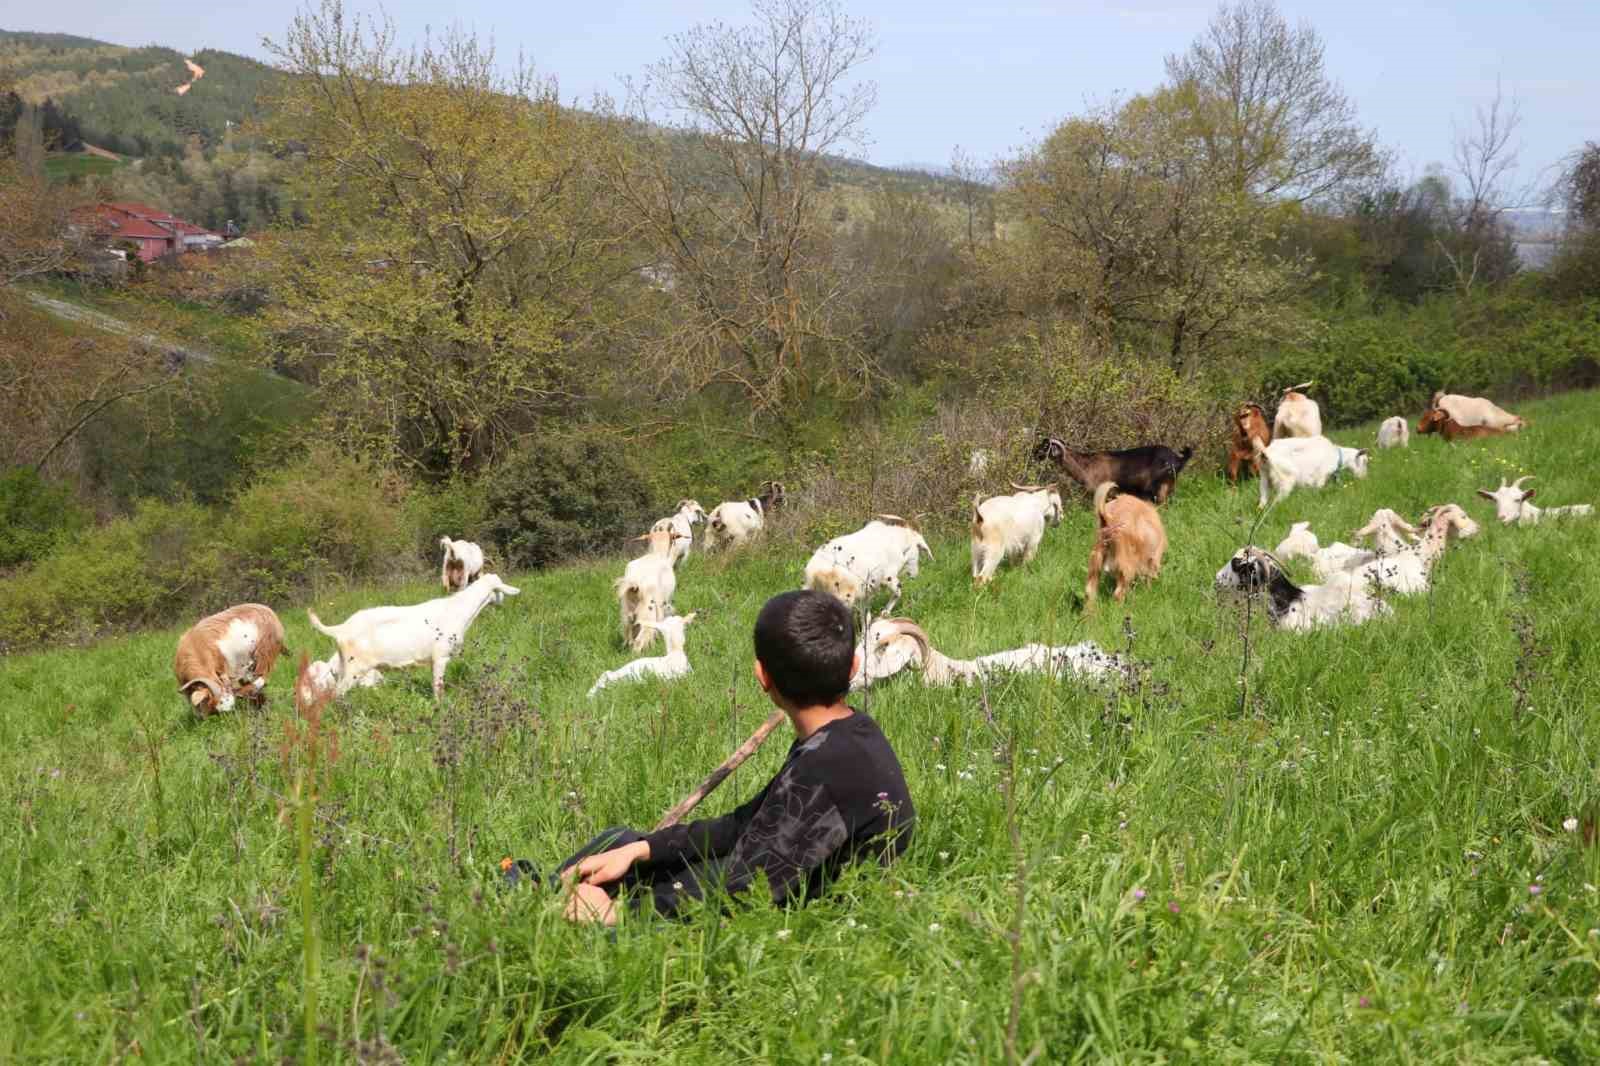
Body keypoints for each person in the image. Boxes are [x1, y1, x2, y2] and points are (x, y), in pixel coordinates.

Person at [534, 589, 915, 925]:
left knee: (611, 896)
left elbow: (745, 890)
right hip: (784, 885)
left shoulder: (825, 764)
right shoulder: (847, 735)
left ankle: (527, 909)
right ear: (854, 666)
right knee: (617, 843)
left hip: (795, 925)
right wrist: (643, 848)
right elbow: (744, 826)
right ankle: (534, 901)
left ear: (762, 677)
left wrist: (617, 915)